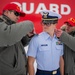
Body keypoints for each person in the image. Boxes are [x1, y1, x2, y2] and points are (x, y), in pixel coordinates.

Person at [0, 2, 34, 75]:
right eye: (16, 13)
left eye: (19, 15)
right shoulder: (1, 25)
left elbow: (18, 43)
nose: (18, 17)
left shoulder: (10, 27)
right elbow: (7, 37)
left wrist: (28, 36)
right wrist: (30, 23)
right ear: (6, 12)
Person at [27, 10, 64, 75]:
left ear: (55, 24)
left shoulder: (60, 39)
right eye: (43, 22)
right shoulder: (36, 39)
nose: (45, 25)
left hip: (57, 73)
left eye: (48, 23)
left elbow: (61, 59)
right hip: (42, 73)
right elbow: (30, 63)